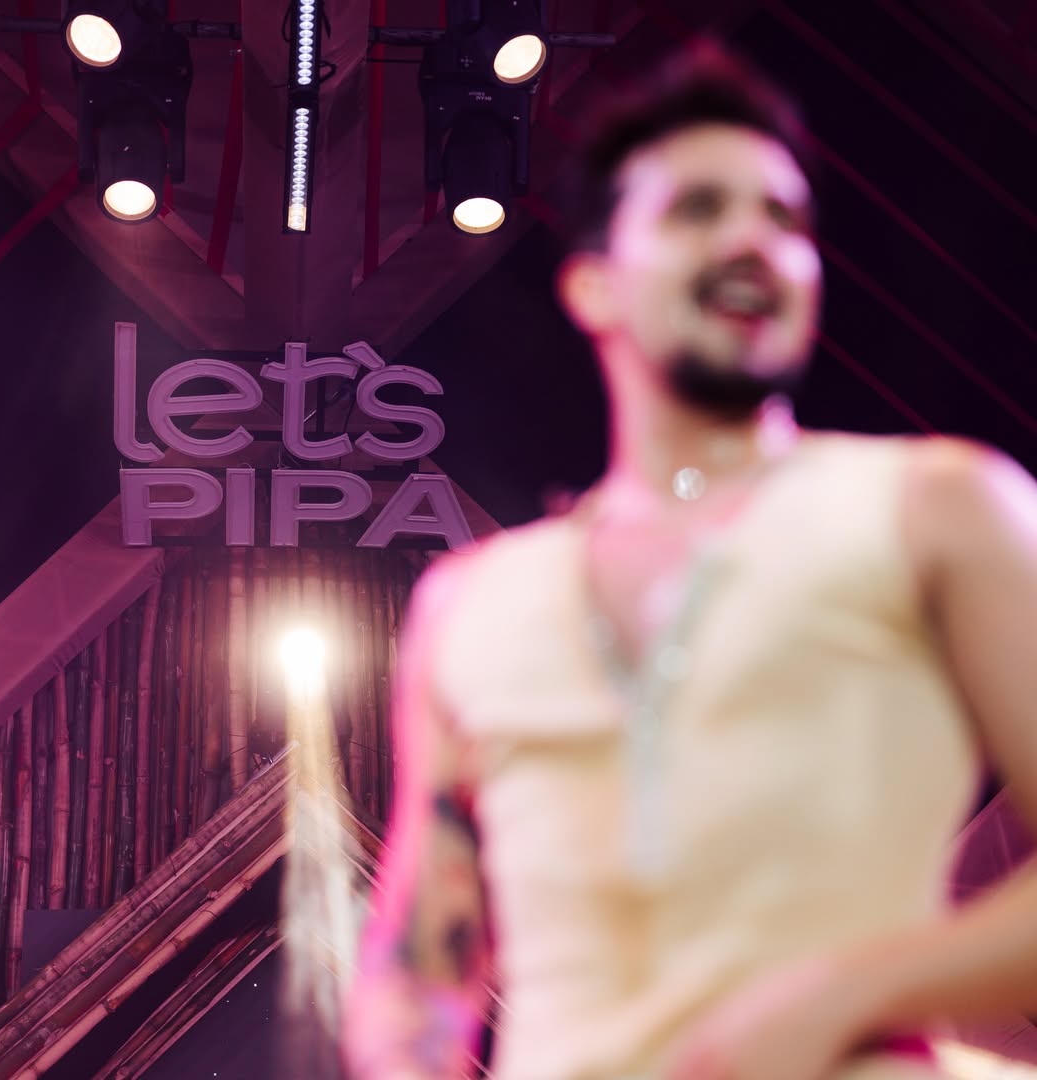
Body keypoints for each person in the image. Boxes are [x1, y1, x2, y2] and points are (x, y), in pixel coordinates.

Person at [343, 41, 1037, 1080]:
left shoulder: (943, 512)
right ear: (594, 285)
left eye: (784, 219)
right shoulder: (473, 604)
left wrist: (844, 991)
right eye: (698, 210)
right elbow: (418, 965)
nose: (754, 243)